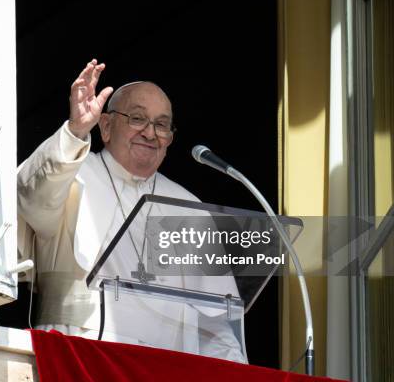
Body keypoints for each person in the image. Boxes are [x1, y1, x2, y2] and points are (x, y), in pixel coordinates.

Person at [17, 60, 246, 363]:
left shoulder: (189, 205)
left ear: (170, 139)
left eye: (162, 124)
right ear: (107, 126)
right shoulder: (70, 172)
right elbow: (31, 195)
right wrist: (75, 131)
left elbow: (216, 321)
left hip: (167, 368)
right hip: (78, 356)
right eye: (137, 119)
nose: (150, 133)